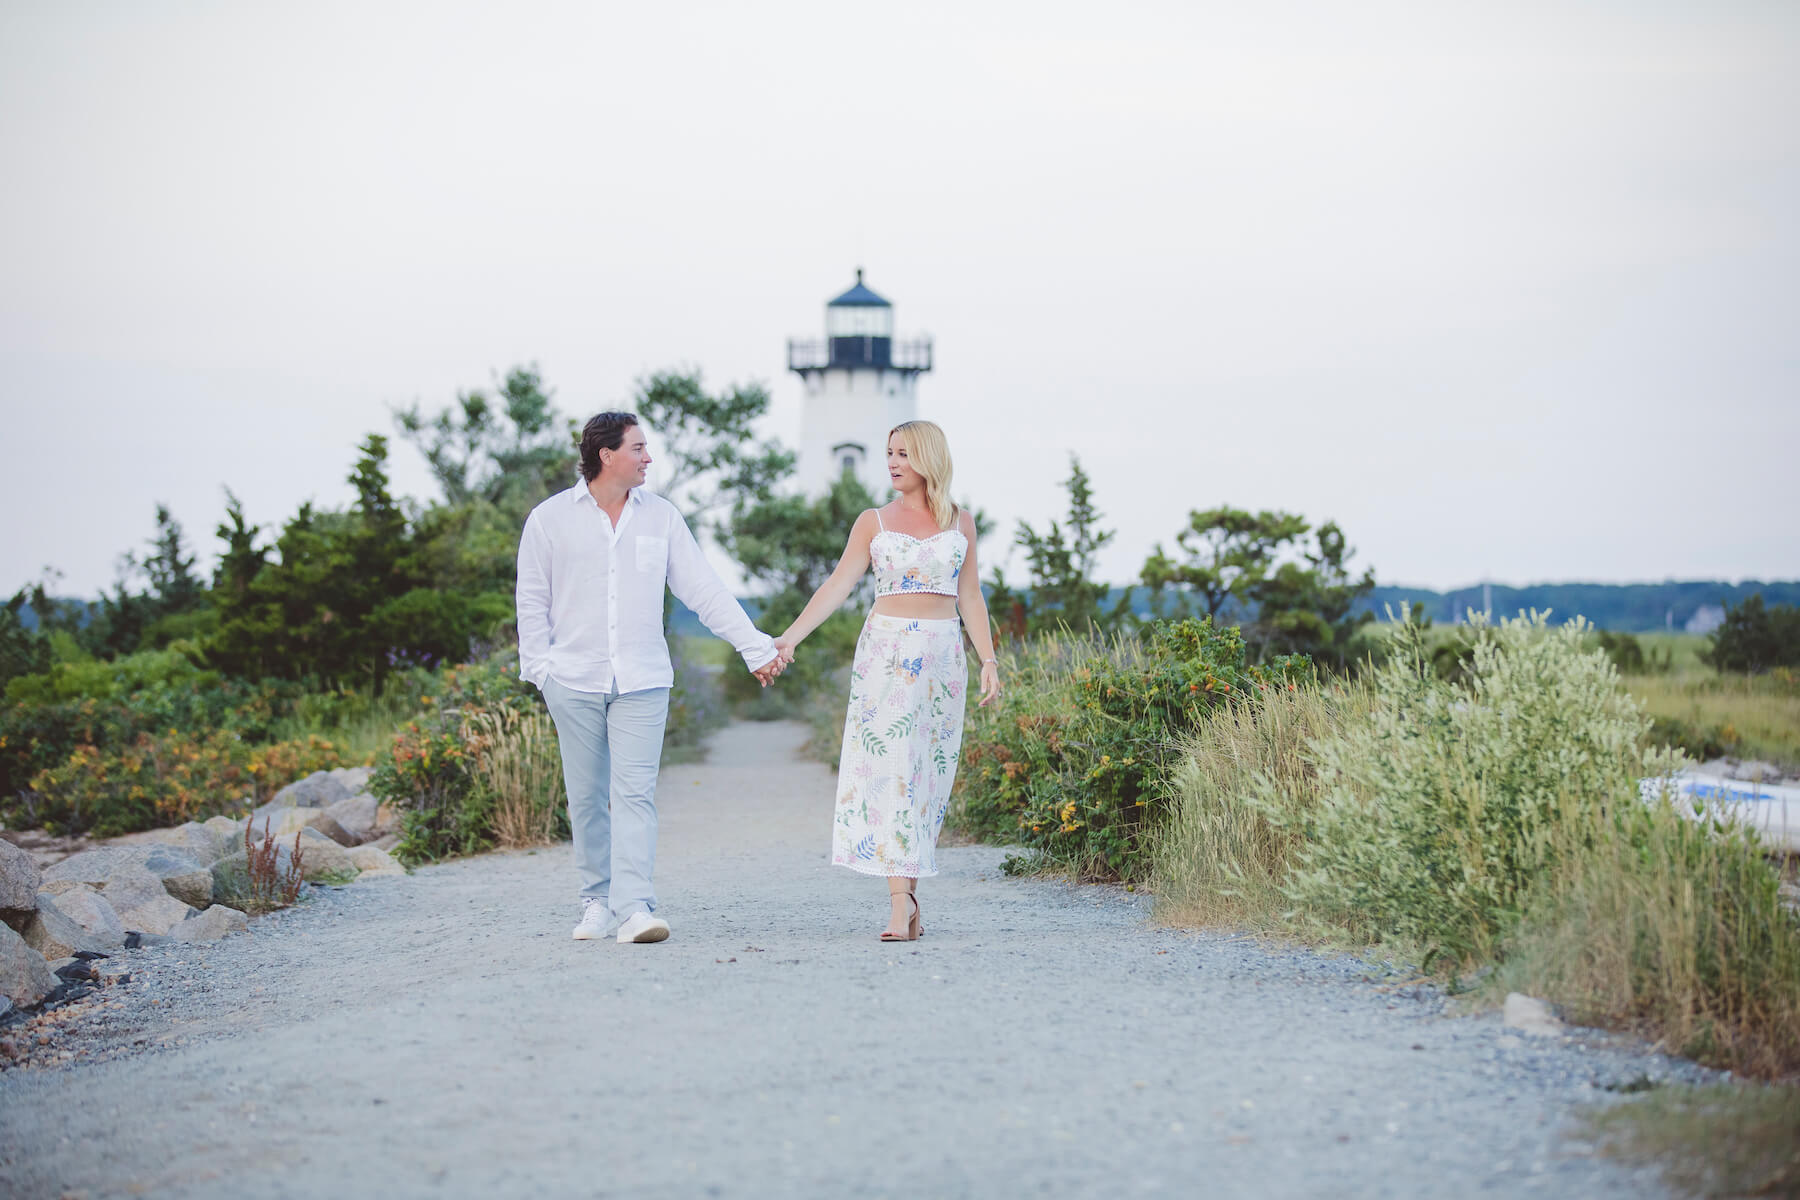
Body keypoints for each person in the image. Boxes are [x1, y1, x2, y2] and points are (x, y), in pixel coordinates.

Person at [516, 411, 792, 944]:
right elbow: (532, 600)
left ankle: (635, 907)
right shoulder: (549, 519)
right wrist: (541, 671)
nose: (649, 458)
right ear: (607, 455)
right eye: (639, 448)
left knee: (635, 792)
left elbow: (704, 590)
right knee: (587, 795)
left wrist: (754, 646)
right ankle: (596, 901)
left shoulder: (661, 517)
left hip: (642, 679)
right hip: (571, 678)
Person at [774, 420, 1000, 941]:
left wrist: (988, 659)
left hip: (944, 656)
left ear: (928, 457)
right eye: (889, 454)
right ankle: (900, 905)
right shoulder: (872, 521)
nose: (893, 462)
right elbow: (837, 586)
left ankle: (910, 898)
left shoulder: (961, 521)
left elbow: (970, 596)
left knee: (926, 775)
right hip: (887, 654)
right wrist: (790, 638)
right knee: (894, 769)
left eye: (903, 453)